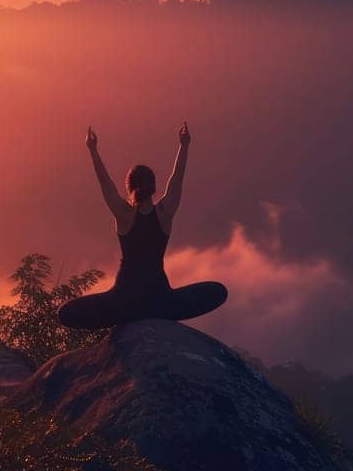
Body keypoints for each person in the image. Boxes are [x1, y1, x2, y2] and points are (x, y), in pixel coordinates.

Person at [58, 123, 228, 328]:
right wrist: (184, 146)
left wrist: (93, 150)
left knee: (66, 313)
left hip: (124, 303)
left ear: (129, 187)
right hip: (159, 301)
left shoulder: (125, 215)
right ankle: (159, 313)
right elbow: (177, 179)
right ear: (154, 187)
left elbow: (106, 183)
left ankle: (126, 317)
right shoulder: (164, 213)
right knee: (217, 291)